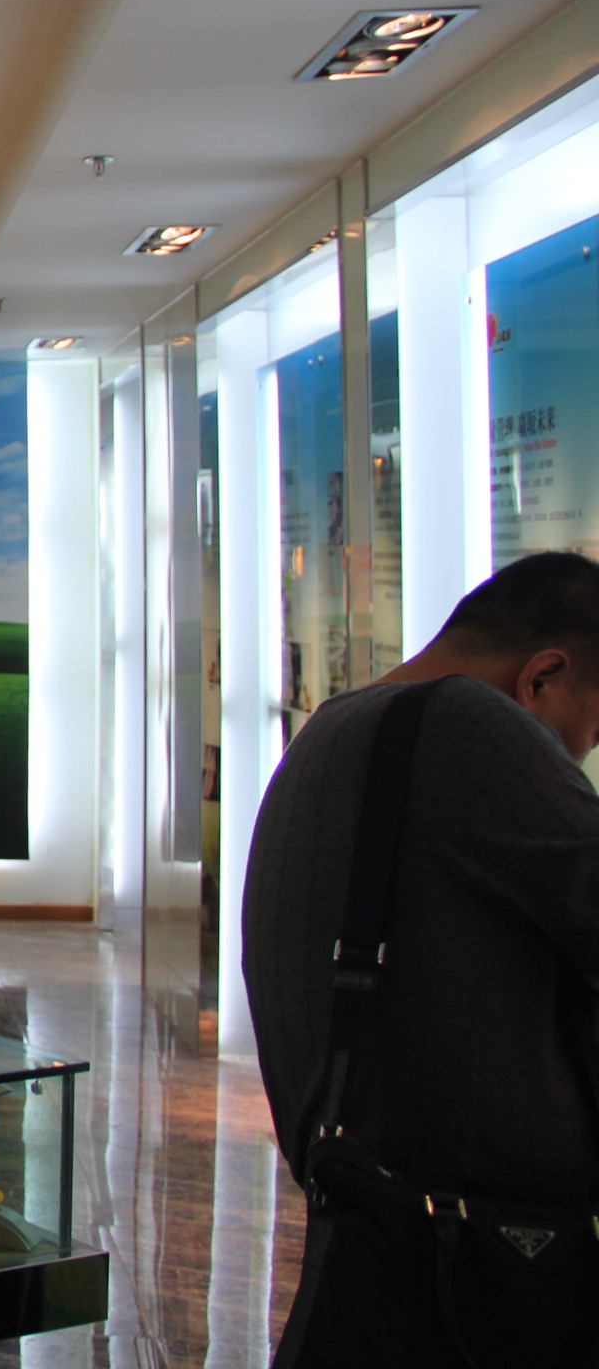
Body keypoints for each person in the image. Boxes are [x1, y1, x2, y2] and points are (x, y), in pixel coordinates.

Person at [245, 552, 599, 1367]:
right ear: (542, 678)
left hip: (382, 1238)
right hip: (480, 1268)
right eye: (588, 734)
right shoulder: (473, 725)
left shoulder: (334, 729)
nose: (577, 761)